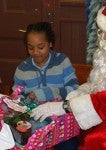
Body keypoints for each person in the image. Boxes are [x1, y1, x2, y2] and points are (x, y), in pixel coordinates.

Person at [31, 0, 106, 149]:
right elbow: (100, 82)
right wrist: (80, 92)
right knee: (68, 133)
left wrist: (66, 106)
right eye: (102, 31)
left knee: (96, 141)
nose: (104, 38)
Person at [13, 21, 79, 150]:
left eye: (41, 47)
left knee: (70, 147)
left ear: (50, 44)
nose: (36, 52)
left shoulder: (62, 62)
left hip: (62, 125)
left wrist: (45, 93)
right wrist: (25, 101)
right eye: (30, 48)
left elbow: (75, 89)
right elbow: (17, 99)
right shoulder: (22, 69)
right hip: (35, 126)